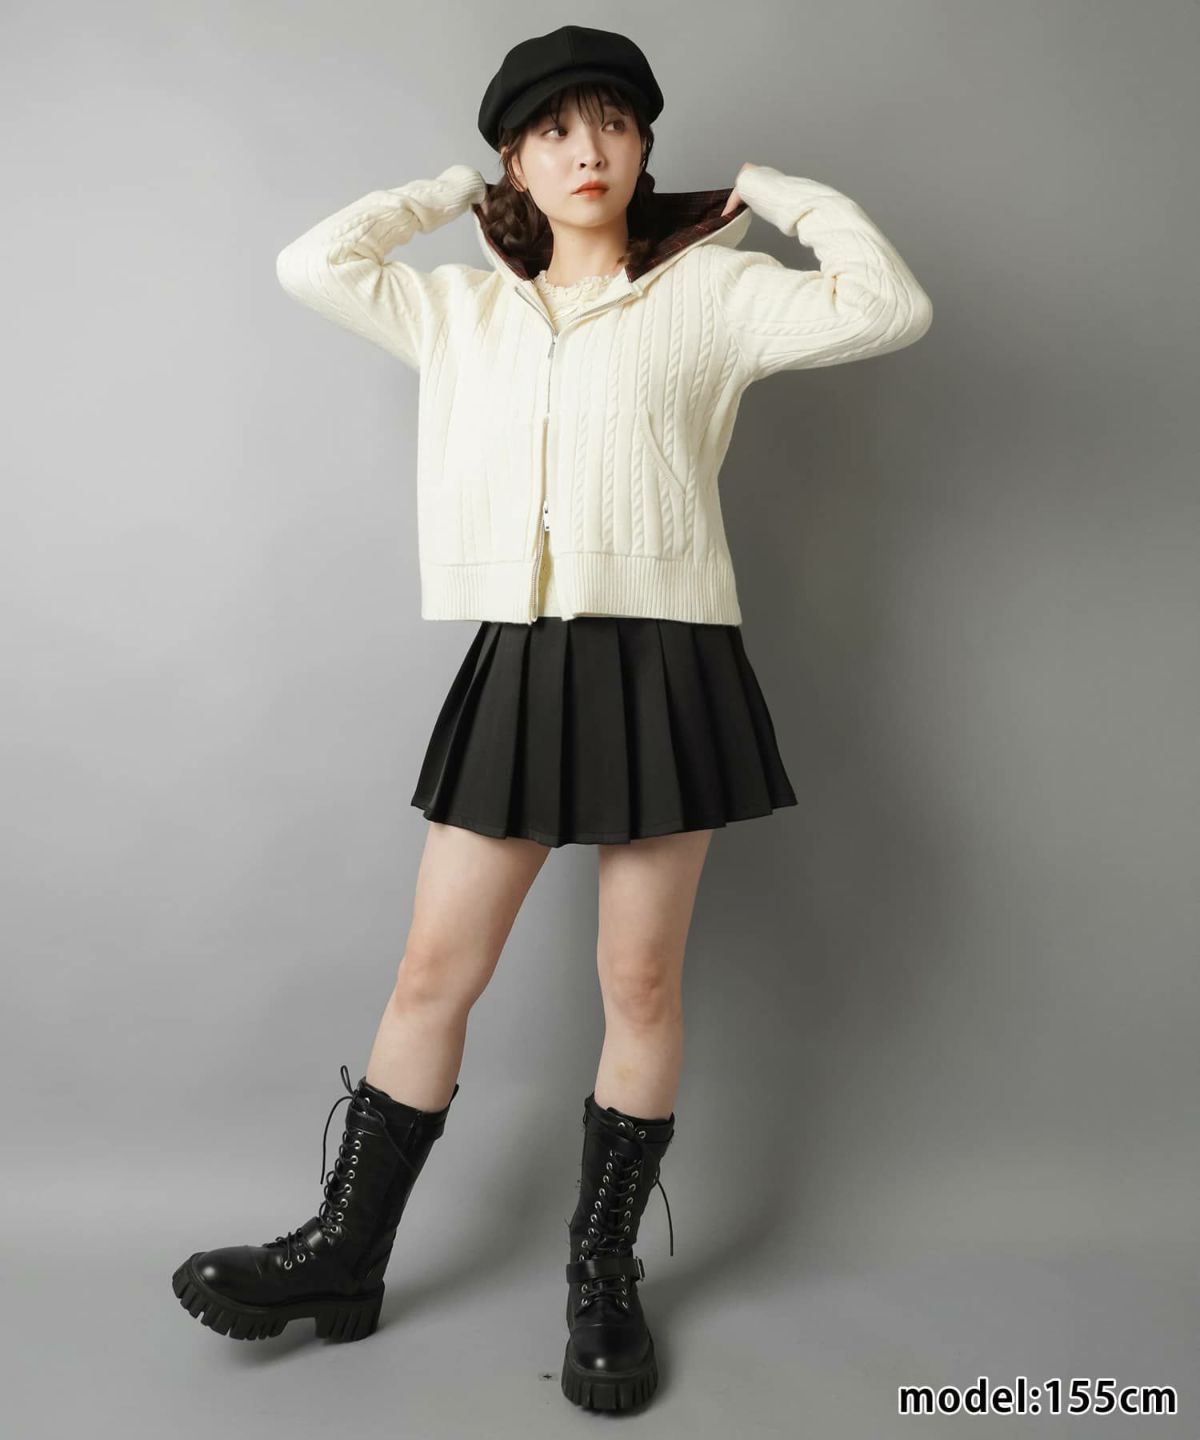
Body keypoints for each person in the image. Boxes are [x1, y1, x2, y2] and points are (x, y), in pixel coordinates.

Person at [171, 24, 932, 1414]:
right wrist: (445, 195)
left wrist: (774, 192)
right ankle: (345, 1255)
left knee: (638, 986)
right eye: (554, 131)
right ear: (516, 159)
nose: (590, 151)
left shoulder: (716, 292)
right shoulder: (460, 307)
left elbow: (888, 307)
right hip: (521, 657)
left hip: (670, 659)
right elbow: (313, 265)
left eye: (615, 125)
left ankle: (602, 1277)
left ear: (645, 148)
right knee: (430, 974)